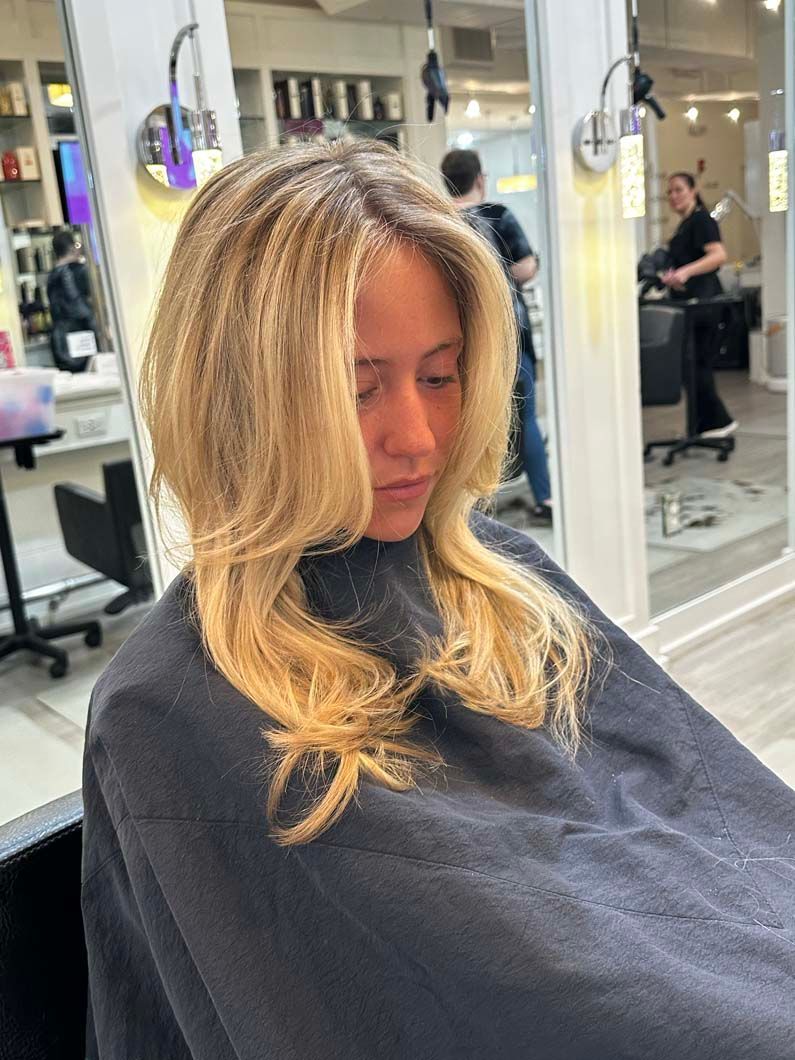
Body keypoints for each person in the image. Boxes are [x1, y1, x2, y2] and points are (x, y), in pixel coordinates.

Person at [82, 141, 794, 1059]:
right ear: (238, 398)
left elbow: (709, 828)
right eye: (355, 388)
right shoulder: (170, 710)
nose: (415, 437)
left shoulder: (501, 575)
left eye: (439, 375)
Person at [441, 148, 552, 522]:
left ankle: (468, 513)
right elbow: (523, 268)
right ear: (479, 180)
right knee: (525, 416)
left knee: (468, 423)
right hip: (507, 337)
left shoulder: (437, 222)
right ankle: (546, 498)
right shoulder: (498, 216)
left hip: (458, 341)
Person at [662, 171, 736, 437]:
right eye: (669, 192)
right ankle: (702, 426)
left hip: (705, 305)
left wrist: (686, 272)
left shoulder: (702, 219)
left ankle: (719, 421)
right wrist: (676, 278)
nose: (673, 196)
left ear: (693, 191)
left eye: (679, 189)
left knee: (697, 364)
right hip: (690, 303)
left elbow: (718, 255)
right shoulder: (684, 225)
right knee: (690, 366)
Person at [47, 229, 98, 373]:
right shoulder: (80, 271)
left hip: (60, 341)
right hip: (83, 335)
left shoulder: (51, 277)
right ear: (71, 248)